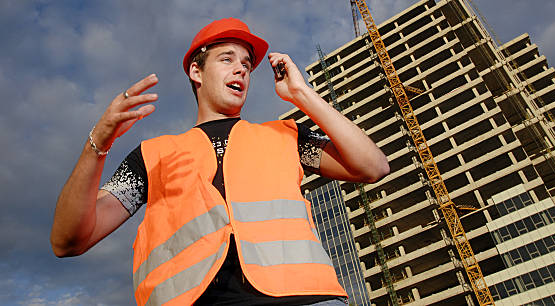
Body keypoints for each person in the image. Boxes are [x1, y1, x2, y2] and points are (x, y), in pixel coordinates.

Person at [51, 18, 390, 305]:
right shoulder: (152, 156)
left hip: (302, 297)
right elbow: (68, 240)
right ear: (196, 72)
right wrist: (98, 141)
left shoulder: (286, 137)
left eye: (246, 64)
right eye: (227, 59)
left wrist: (302, 95)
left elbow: (373, 166)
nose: (241, 69)